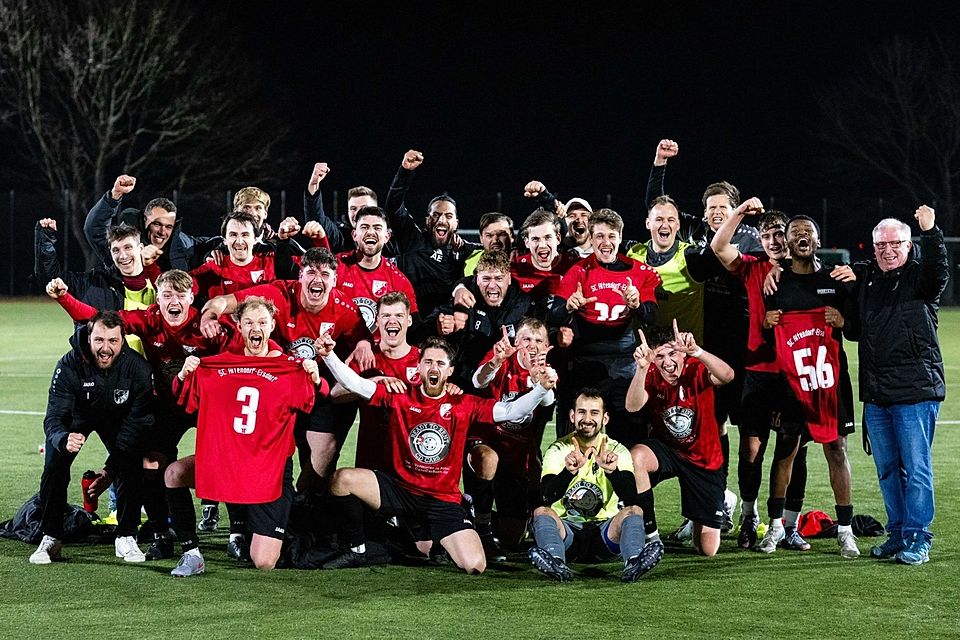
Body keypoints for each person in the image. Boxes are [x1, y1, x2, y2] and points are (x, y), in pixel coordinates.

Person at [316, 335, 558, 574]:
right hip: (400, 490)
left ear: (450, 370)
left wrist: (540, 390)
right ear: (419, 367)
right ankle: (358, 550)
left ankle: (428, 533)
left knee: (475, 565)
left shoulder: (463, 404)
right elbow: (356, 383)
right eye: (428, 362)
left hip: (442, 500)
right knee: (342, 480)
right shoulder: (399, 395)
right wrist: (328, 356)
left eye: (440, 363)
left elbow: (512, 410)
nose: (434, 368)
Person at [163, 297, 324, 576]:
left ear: (273, 325)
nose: (255, 327)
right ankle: (191, 554)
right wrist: (182, 376)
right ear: (238, 325)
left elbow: (315, 401)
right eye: (248, 322)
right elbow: (182, 399)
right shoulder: (215, 366)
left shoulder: (289, 368)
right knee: (174, 474)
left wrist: (317, 379)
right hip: (229, 462)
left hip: (269, 471)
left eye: (262, 322)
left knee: (263, 561)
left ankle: (283, 527)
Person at [199, 247, 372, 491]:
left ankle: (303, 509)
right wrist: (210, 315)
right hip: (282, 389)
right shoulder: (278, 293)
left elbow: (362, 337)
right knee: (270, 456)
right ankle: (277, 504)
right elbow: (222, 302)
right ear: (300, 276)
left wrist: (363, 342)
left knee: (320, 462)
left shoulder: (345, 308)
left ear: (334, 281)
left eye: (325, 274)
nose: (317, 279)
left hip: (322, 391)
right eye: (311, 272)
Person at [846, 206, 948, 565]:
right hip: (878, 394)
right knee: (888, 469)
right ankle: (898, 533)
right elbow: (854, 331)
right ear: (873, 248)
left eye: (896, 243)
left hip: (916, 390)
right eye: (881, 245)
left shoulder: (921, 277)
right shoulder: (867, 282)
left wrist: (930, 231)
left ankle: (918, 537)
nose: (888, 250)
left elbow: (939, 270)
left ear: (908, 245)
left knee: (917, 468)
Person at [757, 216, 859, 558]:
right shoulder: (776, 282)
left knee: (837, 451)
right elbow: (766, 335)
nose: (802, 237)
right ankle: (775, 527)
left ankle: (845, 530)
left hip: (829, 381)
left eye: (808, 233)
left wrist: (843, 321)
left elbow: (856, 329)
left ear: (817, 240)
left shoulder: (834, 278)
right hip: (791, 383)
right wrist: (768, 323)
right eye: (796, 232)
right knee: (786, 450)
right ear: (787, 241)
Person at [711, 206, 811, 550]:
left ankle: (789, 524)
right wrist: (738, 212)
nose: (772, 241)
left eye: (778, 234)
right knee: (751, 451)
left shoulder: (806, 270)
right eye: (765, 235)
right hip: (757, 373)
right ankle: (750, 516)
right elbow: (719, 246)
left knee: (795, 454)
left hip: (795, 376)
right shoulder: (753, 266)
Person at [29, 312, 154, 565]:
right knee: (54, 466)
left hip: (117, 420)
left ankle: (127, 535)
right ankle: (51, 536)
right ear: (89, 336)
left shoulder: (137, 368)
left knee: (131, 462)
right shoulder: (69, 364)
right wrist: (62, 438)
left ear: (122, 340)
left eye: (112, 341)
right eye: (99, 340)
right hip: (76, 419)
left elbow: (135, 427)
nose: (105, 348)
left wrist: (110, 470)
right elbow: (53, 417)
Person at [547, 208, 661, 445]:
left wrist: (637, 304)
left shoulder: (640, 271)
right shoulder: (578, 271)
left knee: (628, 431)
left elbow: (651, 317)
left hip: (624, 357)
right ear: (591, 238)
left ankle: (628, 479)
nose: (605, 242)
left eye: (611, 236)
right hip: (586, 357)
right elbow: (554, 315)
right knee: (576, 433)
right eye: (599, 236)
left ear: (620, 237)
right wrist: (569, 305)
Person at [527, 388, 664, 582]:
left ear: (605, 418)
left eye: (594, 413)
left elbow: (631, 497)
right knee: (541, 512)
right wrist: (568, 472)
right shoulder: (558, 449)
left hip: (605, 536)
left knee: (634, 511)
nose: (587, 418)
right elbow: (546, 497)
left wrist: (612, 471)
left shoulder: (617, 450)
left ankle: (634, 563)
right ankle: (556, 562)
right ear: (572, 415)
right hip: (568, 536)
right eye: (582, 412)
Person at [625, 323, 735, 557]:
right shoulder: (651, 373)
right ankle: (651, 536)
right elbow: (632, 406)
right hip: (669, 450)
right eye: (660, 356)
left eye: (672, 353)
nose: (667, 362)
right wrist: (641, 368)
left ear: (682, 353)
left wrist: (697, 351)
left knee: (706, 549)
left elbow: (728, 375)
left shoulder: (696, 367)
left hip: (703, 458)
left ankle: (721, 501)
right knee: (637, 457)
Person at [467, 319, 556, 559]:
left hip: (516, 453)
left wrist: (539, 381)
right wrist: (496, 361)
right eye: (527, 340)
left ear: (547, 346)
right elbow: (478, 381)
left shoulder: (546, 371)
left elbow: (548, 402)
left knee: (512, 538)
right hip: (485, 439)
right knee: (488, 458)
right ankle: (482, 531)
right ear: (517, 342)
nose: (533, 346)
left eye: (539, 341)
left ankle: (471, 514)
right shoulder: (502, 356)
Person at [382, 149, 480, 315]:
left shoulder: (464, 250)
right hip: (411, 319)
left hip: (445, 323)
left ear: (456, 224)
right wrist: (404, 171)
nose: (441, 220)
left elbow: (495, 247)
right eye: (436, 215)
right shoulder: (413, 240)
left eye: (448, 216)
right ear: (427, 221)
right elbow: (394, 208)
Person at [423, 250, 533, 387]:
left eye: (499, 278)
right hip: (464, 383)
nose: (492, 285)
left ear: (509, 279)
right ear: (477, 278)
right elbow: (422, 330)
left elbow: (540, 333)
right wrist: (439, 327)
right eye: (486, 279)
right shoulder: (463, 298)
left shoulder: (523, 303)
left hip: (507, 382)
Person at [85, 174, 220, 272]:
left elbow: (212, 244)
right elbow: (94, 229)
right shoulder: (124, 245)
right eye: (157, 224)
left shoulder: (182, 244)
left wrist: (214, 252)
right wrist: (114, 195)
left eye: (168, 227)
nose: (162, 232)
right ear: (145, 220)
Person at [334, 206, 419, 332]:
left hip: (379, 350)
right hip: (335, 348)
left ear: (387, 237)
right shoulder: (336, 266)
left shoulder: (399, 281)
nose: (370, 232)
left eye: (377, 228)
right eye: (364, 227)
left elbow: (415, 327)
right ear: (354, 235)